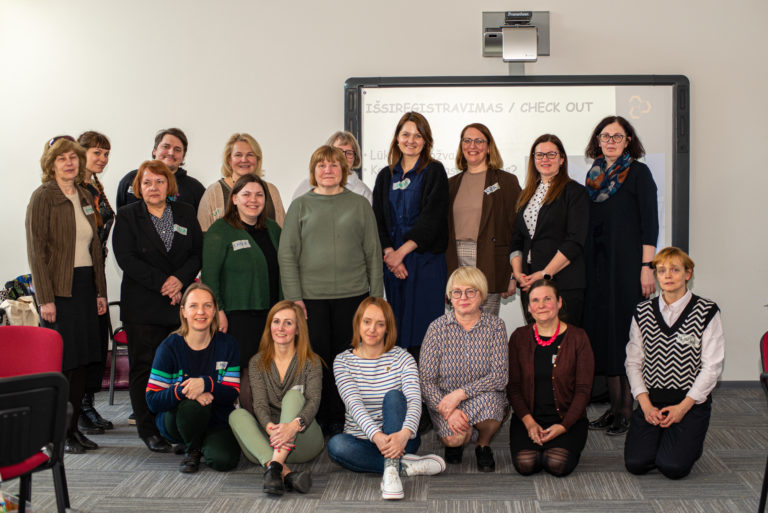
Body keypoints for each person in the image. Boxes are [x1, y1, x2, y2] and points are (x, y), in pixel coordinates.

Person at [278, 145, 383, 434]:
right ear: (313, 171)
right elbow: (287, 254)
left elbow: (373, 252)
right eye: (321, 165)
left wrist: (375, 299)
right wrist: (293, 297)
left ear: (344, 171)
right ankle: (319, 417)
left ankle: (344, 417)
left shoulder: (359, 205)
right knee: (316, 360)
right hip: (310, 299)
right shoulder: (300, 205)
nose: (328, 170)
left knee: (348, 359)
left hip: (355, 296)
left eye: (334, 165)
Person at [113, 159, 203, 453]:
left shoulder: (185, 212)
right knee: (146, 367)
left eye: (160, 182)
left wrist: (179, 279)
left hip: (179, 304)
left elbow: (197, 253)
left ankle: (172, 426)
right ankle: (148, 429)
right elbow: (126, 258)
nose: (154, 188)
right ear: (139, 186)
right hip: (143, 305)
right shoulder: (127, 215)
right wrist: (165, 283)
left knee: (178, 368)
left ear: (169, 185)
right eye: (147, 182)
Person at [25, 135, 108, 453]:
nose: (70, 162)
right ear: (51, 163)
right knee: (63, 364)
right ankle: (55, 433)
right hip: (59, 290)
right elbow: (37, 251)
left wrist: (100, 291)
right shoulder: (43, 196)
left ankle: (72, 431)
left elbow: (95, 248)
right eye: (62, 158)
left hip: (86, 286)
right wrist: (44, 298)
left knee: (82, 363)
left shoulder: (85, 194)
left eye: (74, 157)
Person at [582, 116, 659, 436]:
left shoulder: (639, 173)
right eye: (605, 136)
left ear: (629, 140)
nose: (610, 141)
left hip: (628, 266)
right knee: (604, 334)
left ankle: (627, 409)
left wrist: (647, 267)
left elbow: (650, 224)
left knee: (625, 337)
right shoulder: (593, 175)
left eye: (617, 136)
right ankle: (613, 407)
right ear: (597, 141)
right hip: (598, 267)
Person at [328, 297, 445, 500]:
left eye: (380, 324)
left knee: (393, 397)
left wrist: (403, 434)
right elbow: (354, 405)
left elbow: (415, 400)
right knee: (336, 446)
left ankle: (391, 471)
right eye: (367, 322)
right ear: (358, 324)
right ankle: (404, 466)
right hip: (362, 442)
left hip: (402, 440)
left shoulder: (403, 358)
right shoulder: (342, 361)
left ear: (387, 329)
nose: (372, 329)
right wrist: (377, 437)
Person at [624, 247, 724, 479]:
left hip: (689, 402)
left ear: (688, 274)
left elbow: (712, 367)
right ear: (656, 276)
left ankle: (687, 441)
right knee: (636, 464)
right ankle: (665, 438)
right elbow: (633, 362)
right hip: (653, 401)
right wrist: (645, 404)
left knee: (672, 467)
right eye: (661, 271)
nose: (667, 276)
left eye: (675, 270)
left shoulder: (707, 311)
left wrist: (683, 408)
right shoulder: (642, 311)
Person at [202, 174, 282, 415]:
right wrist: (219, 312)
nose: (253, 200)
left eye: (259, 195)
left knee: (269, 370)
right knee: (247, 371)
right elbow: (210, 276)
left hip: (271, 313)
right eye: (246, 194)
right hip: (237, 315)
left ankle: (270, 424)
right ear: (234, 198)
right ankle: (252, 427)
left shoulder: (274, 229)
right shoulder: (220, 230)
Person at [372, 111, 449, 359]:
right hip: (394, 266)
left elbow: (432, 218)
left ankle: (425, 396)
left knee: (425, 333)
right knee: (395, 331)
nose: (411, 140)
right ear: (396, 138)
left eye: (418, 135)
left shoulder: (435, 171)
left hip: (425, 262)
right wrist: (389, 254)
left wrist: (401, 253)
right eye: (405, 134)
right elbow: (378, 220)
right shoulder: (385, 176)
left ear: (426, 141)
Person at [229, 301, 323, 495]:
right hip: (268, 443)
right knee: (236, 416)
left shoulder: (311, 362)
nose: (280, 328)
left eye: (288, 323)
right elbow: (260, 405)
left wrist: (292, 427)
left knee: (294, 397)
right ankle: (283, 472)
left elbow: (314, 401)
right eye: (276, 321)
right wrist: (272, 429)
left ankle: (274, 468)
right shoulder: (257, 362)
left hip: (303, 440)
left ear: (297, 329)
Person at [146, 283, 241, 473]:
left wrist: (206, 384)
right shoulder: (169, 347)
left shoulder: (228, 344)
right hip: (178, 420)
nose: (201, 312)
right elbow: (152, 400)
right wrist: (186, 390)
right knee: (193, 406)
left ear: (215, 310)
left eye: (207, 305)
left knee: (224, 460)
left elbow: (231, 394)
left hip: (216, 419)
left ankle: (202, 441)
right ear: (183, 311)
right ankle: (193, 450)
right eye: (193, 306)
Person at [420, 266, 508, 471]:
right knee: (454, 438)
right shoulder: (436, 328)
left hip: (483, 398)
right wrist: (449, 411)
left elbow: (499, 377)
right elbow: (425, 380)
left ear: (482, 294)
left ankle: (482, 444)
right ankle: (460, 435)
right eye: (457, 292)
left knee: (493, 405)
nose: (463, 297)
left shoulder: (496, 326)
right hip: (445, 401)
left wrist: (460, 395)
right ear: (449, 297)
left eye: (471, 291)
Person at [507, 279, 594, 477]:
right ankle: (533, 435)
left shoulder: (578, 338)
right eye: (535, 300)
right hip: (528, 417)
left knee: (556, 464)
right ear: (529, 307)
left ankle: (561, 438)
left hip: (567, 419)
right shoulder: (518, 337)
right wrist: (529, 423)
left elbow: (583, 390)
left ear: (560, 302)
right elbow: (513, 387)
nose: (542, 305)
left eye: (548, 299)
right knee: (526, 464)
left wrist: (563, 426)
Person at [510, 134, 589, 325]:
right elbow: (517, 239)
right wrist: (518, 273)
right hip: (530, 283)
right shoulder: (526, 195)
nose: (545, 159)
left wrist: (546, 273)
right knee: (537, 345)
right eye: (539, 155)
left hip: (564, 283)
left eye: (551, 154)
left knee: (565, 348)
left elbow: (575, 240)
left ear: (562, 159)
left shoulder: (575, 193)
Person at [447, 123, 521, 316]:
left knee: (485, 325)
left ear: (489, 147)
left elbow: (517, 230)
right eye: (467, 140)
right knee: (458, 323)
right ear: (461, 146)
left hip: (490, 260)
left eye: (479, 141)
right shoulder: (450, 185)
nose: (473, 145)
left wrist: (512, 274)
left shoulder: (506, 182)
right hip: (457, 260)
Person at [76, 130, 116, 434]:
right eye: (96, 153)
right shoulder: (72, 189)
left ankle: (88, 404)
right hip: (78, 276)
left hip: (96, 273)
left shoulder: (95, 187)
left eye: (106, 154)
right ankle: (77, 409)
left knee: (96, 344)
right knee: (81, 345)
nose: (102, 159)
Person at [197, 133, 286, 231]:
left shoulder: (271, 191)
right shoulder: (213, 193)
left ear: (257, 160)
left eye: (250, 155)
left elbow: (283, 231)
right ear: (229, 160)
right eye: (238, 155)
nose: (244, 160)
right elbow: (203, 233)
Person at [115, 127, 205, 210]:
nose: (171, 153)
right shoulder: (131, 179)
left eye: (177, 149)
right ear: (155, 151)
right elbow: (121, 218)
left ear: (183, 157)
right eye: (166, 147)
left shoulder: (195, 189)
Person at [291, 131, 372, 203]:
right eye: (338, 151)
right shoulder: (306, 185)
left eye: (349, 153)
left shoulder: (363, 192)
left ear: (355, 157)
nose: (343, 157)